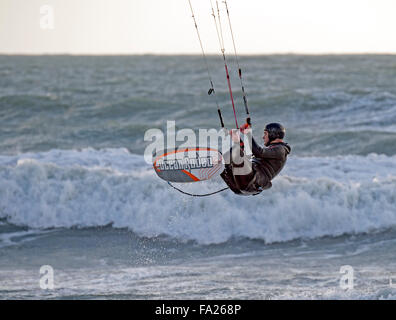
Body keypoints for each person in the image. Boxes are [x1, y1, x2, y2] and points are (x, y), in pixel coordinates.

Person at [220, 122, 291, 195]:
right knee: (220, 159)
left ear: (273, 134)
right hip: (240, 186)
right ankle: (215, 165)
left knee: (235, 152)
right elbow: (248, 156)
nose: (263, 137)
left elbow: (258, 152)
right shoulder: (275, 149)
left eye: (265, 134)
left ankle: (218, 162)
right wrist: (238, 141)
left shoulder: (281, 150)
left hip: (252, 182)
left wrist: (248, 134)